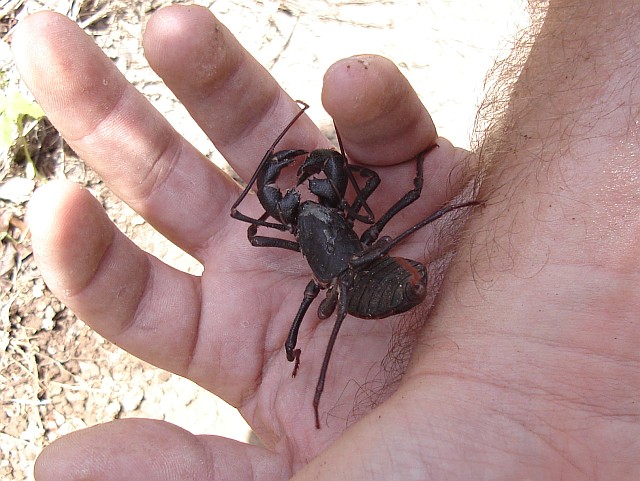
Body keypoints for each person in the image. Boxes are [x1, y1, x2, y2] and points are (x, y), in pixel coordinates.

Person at [13, 1, 640, 479]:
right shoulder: (333, 218)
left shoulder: (294, 226)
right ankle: (315, 375)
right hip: (358, 271)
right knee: (380, 235)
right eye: (296, 200)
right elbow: (348, 200)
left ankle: (314, 373)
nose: (306, 198)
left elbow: (261, 221)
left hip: (360, 273)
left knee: (351, 265)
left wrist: (277, 192)